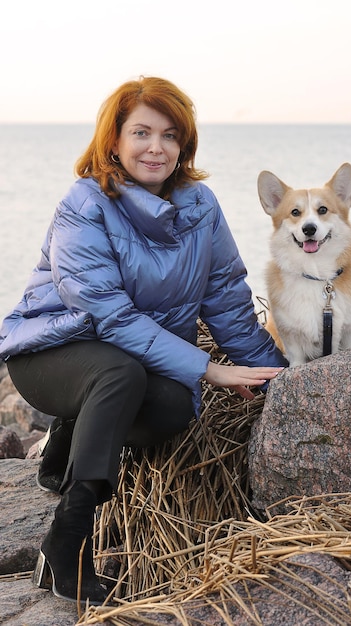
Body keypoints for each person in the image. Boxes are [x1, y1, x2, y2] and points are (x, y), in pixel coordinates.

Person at [0, 76, 288, 605]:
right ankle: (66, 545)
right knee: (119, 373)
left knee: (175, 406)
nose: (157, 147)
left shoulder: (199, 205)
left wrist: (283, 381)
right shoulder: (83, 204)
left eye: (171, 135)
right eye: (142, 132)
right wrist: (208, 367)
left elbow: (225, 296)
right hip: (51, 351)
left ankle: (70, 436)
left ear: (185, 145)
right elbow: (107, 316)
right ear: (113, 140)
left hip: (124, 360)